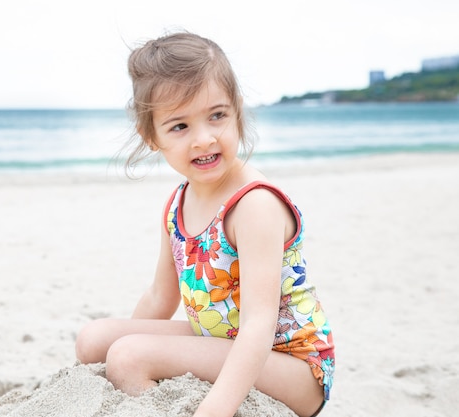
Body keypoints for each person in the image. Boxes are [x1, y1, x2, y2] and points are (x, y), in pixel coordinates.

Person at [75, 31, 335, 417]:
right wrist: (125, 342)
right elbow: (161, 298)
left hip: (291, 364)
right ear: (151, 137)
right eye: (179, 126)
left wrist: (212, 409)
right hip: (219, 339)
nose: (204, 139)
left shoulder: (254, 205)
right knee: (94, 340)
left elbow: (259, 327)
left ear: (237, 111)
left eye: (217, 115)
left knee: (129, 358)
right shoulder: (178, 202)